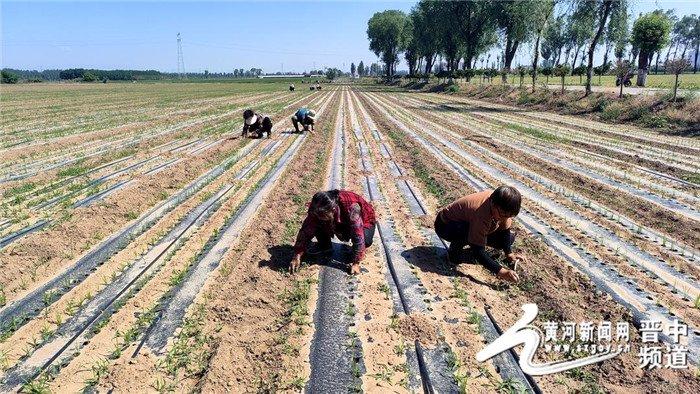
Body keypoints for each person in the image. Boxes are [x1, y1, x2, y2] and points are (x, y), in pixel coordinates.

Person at [434, 186, 525, 283]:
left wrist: (509, 253)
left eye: (509, 216)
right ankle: (454, 255)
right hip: (446, 226)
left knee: (507, 240)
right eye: (503, 215)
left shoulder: (502, 205)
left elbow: (505, 230)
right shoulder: (481, 214)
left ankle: (474, 251)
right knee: (474, 243)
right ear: (493, 204)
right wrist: (502, 272)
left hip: (468, 224)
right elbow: (478, 251)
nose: (504, 218)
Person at [290, 190, 376, 275]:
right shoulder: (317, 208)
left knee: (366, 240)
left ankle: (355, 250)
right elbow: (306, 230)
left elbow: (358, 234)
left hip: (363, 221)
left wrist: (356, 262)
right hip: (336, 219)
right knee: (317, 223)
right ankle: (325, 246)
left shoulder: (352, 208)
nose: (319, 216)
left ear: (333, 209)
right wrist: (297, 254)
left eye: (323, 214)